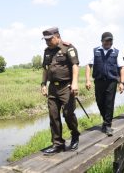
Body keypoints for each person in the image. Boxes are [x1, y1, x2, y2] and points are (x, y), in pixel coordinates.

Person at [40, 27, 80, 155]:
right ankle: (58, 144)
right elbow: (46, 69)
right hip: (52, 88)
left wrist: (74, 83)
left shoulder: (68, 48)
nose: (47, 42)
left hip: (66, 87)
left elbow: (75, 65)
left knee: (68, 114)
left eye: (49, 39)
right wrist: (43, 84)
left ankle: (75, 135)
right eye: (45, 40)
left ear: (57, 36)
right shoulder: (47, 51)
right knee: (53, 115)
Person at [85, 32, 124, 136]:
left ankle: (108, 125)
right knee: (99, 101)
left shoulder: (116, 52)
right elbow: (89, 65)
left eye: (110, 40)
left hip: (111, 81)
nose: (108, 42)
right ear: (102, 41)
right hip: (98, 81)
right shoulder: (95, 51)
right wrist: (88, 80)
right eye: (106, 40)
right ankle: (105, 120)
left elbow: (122, 68)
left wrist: (121, 83)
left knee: (109, 103)